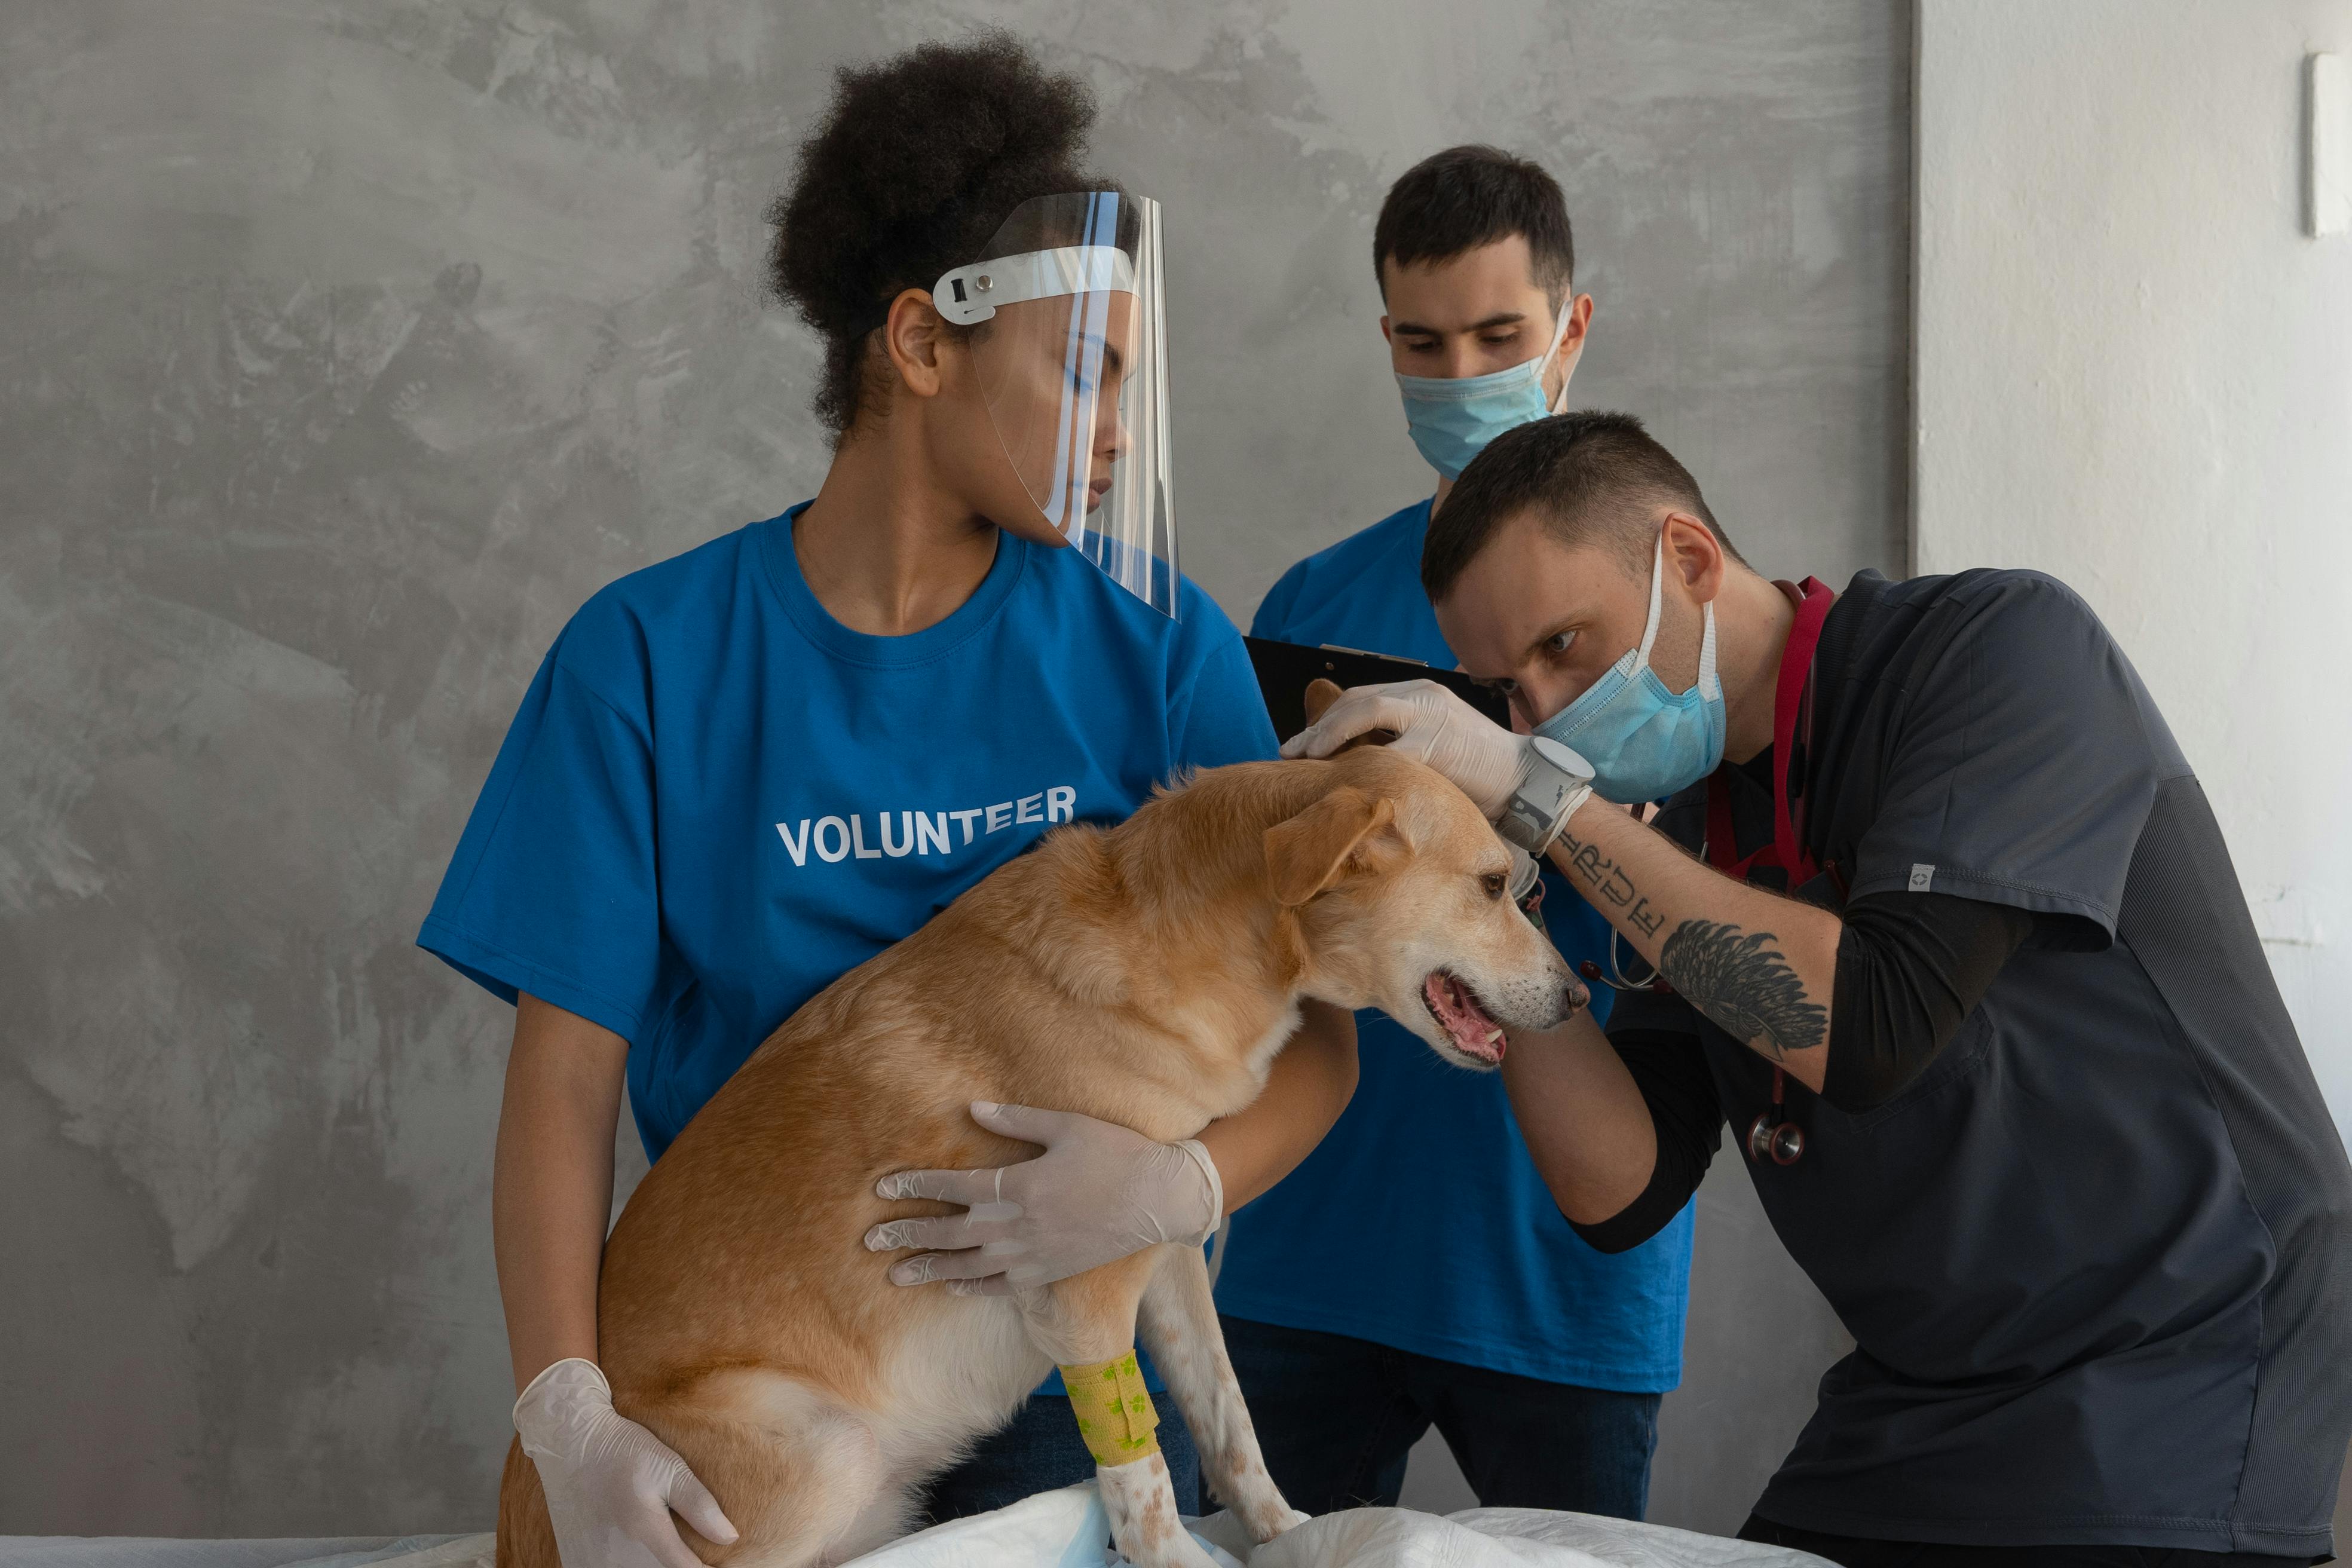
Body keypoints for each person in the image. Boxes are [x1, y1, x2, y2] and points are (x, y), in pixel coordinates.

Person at [418, 38, 1356, 1568]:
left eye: (1133, 381)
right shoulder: (648, 660)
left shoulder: (1160, 648)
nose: (1119, 428)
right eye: (1086, 371)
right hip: (792, 1357)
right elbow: (563, 1087)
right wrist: (572, 1417)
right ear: (922, 344)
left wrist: (1184, 1181)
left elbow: (1316, 1034)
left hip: (1078, 1380)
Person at [1289, 410, 2352, 1566]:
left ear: (1688, 560)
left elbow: (1871, 1026)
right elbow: (1620, 1187)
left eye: (1564, 647)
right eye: (1511, 696)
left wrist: (1537, 797)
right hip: (1925, 1396)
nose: (1543, 717)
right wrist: (1485, 898)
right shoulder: (1689, 832)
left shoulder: (1999, 649)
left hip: (2176, 1363)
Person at [1217, 147, 1689, 1520]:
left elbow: (1714, 922)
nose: (1460, 370)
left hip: (1557, 1265)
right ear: (1384, 344)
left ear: (1573, 331)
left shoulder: (1671, 619)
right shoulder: (1316, 595)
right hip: (1315, 1242)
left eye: (1499, 335)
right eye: (1424, 344)